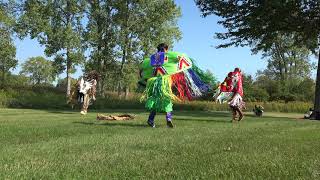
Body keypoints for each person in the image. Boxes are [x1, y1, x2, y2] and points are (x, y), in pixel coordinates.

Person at [140, 43, 210, 128]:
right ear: (166, 48)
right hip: (165, 81)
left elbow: (143, 66)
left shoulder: (152, 58)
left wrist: (144, 75)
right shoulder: (169, 55)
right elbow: (181, 58)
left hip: (153, 82)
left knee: (155, 100)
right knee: (166, 99)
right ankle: (168, 119)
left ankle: (151, 119)